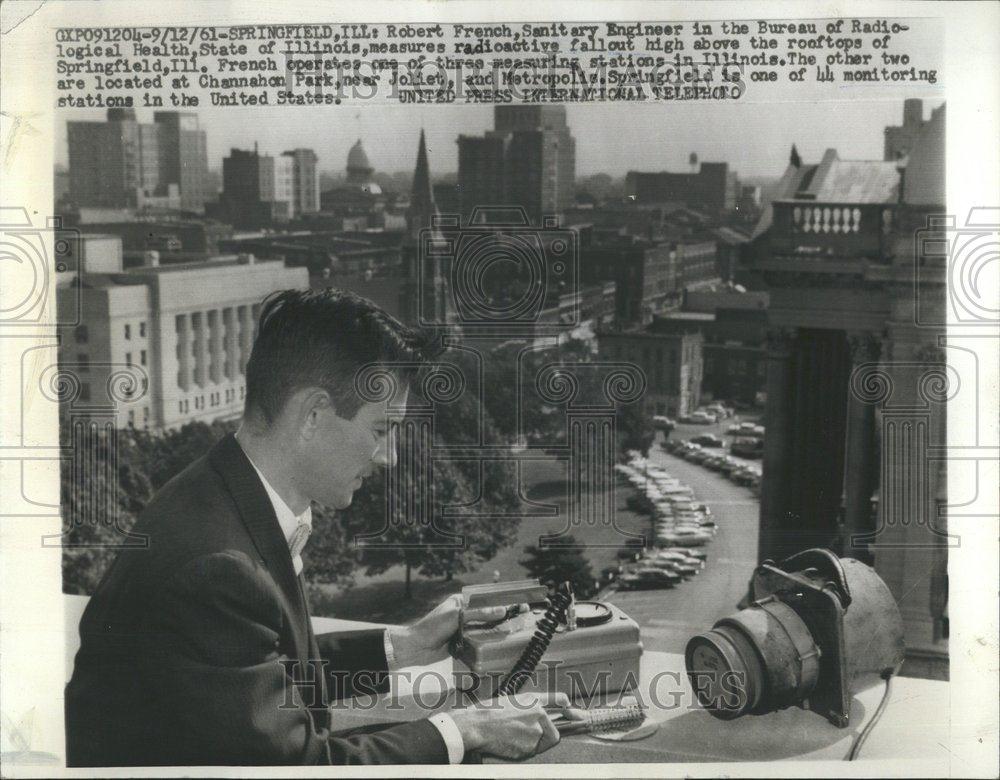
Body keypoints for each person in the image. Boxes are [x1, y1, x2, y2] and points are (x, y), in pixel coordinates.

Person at [65, 289, 568, 766]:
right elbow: (302, 765)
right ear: (312, 415)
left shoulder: (220, 494)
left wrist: (405, 645)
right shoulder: (217, 569)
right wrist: (468, 728)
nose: (390, 457)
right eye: (382, 429)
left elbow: (260, 675)